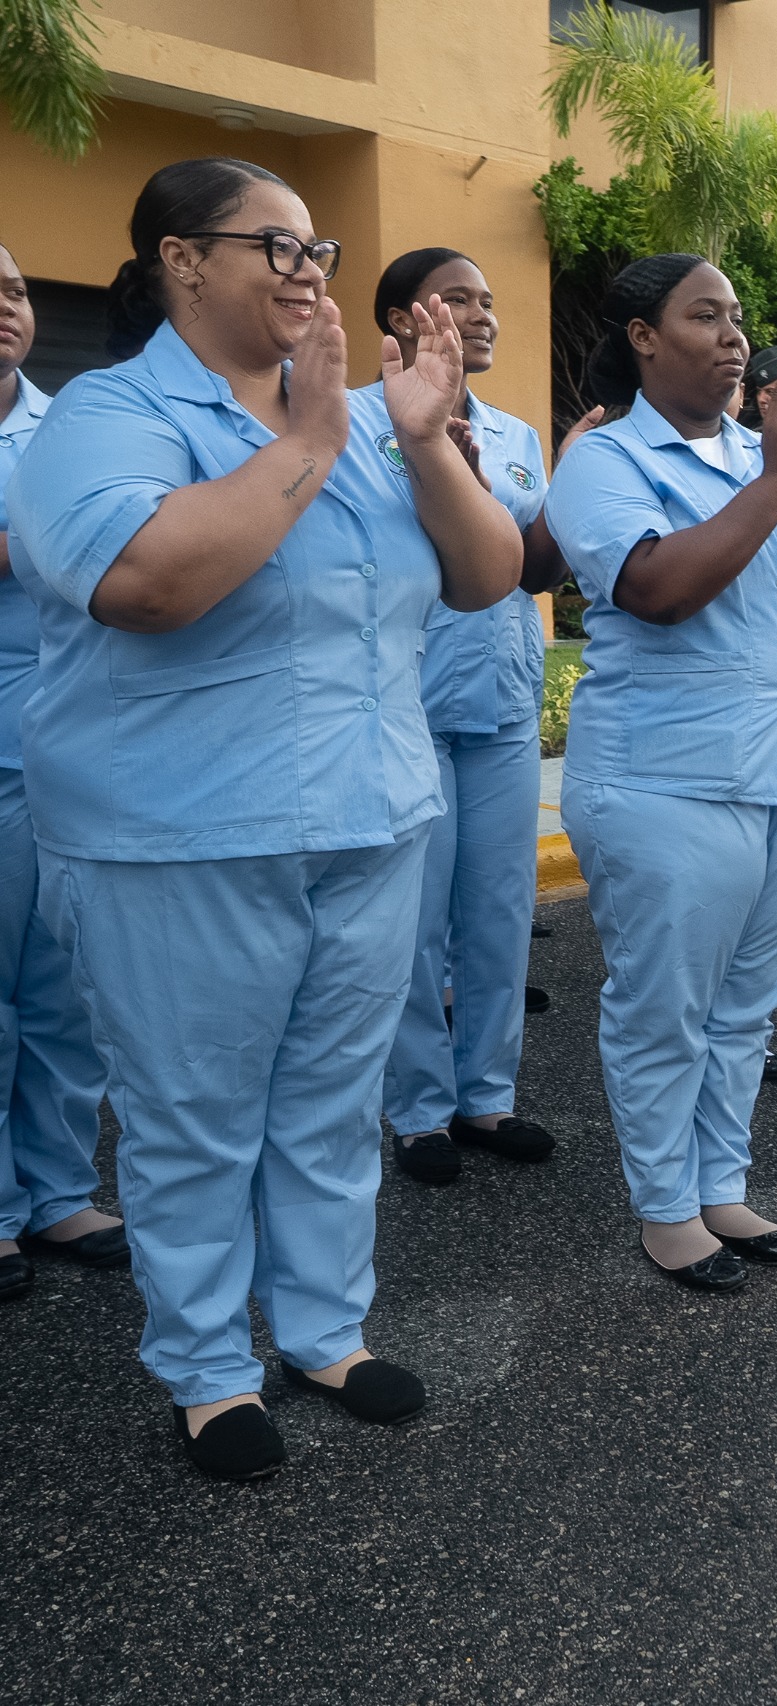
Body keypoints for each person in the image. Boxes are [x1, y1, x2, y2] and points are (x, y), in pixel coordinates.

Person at [8, 158, 524, 1478]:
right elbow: (146, 581)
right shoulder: (109, 416)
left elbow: (487, 575)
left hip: (369, 820)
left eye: (317, 248)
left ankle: (324, 1329)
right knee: (194, 1114)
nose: (307, 270)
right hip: (179, 834)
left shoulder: (365, 417)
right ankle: (206, 1367)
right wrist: (306, 443)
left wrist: (421, 440)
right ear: (181, 259)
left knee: (333, 1100)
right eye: (274, 245)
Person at [545, 252, 777, 1293]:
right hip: (668, 778)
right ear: (644, 337)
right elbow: (657, 589)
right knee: (667, 1006)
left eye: (737, 316)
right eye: (706, 316)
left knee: (746, 1006)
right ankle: (666, 1207)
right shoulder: (604, 461)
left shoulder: (770, 451)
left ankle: (720, 1185)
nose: (735, 336)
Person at [366, 247, 596, 1187]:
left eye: (488, 300)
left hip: (500, 698)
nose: (482, 314)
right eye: (456, 298)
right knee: (415, 920)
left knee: (499, 909)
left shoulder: (514, 433)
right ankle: (419, 1110)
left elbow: (531, 566)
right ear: (400, 320)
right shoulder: (361, 424)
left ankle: (486, 1096)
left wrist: (568, 483)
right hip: (407, 701)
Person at [0, 240, 122, 1304]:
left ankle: (59, 1189)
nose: (7, 306)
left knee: (63, 981)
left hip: (66, 733)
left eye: (15, 289)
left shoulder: (71, 424)